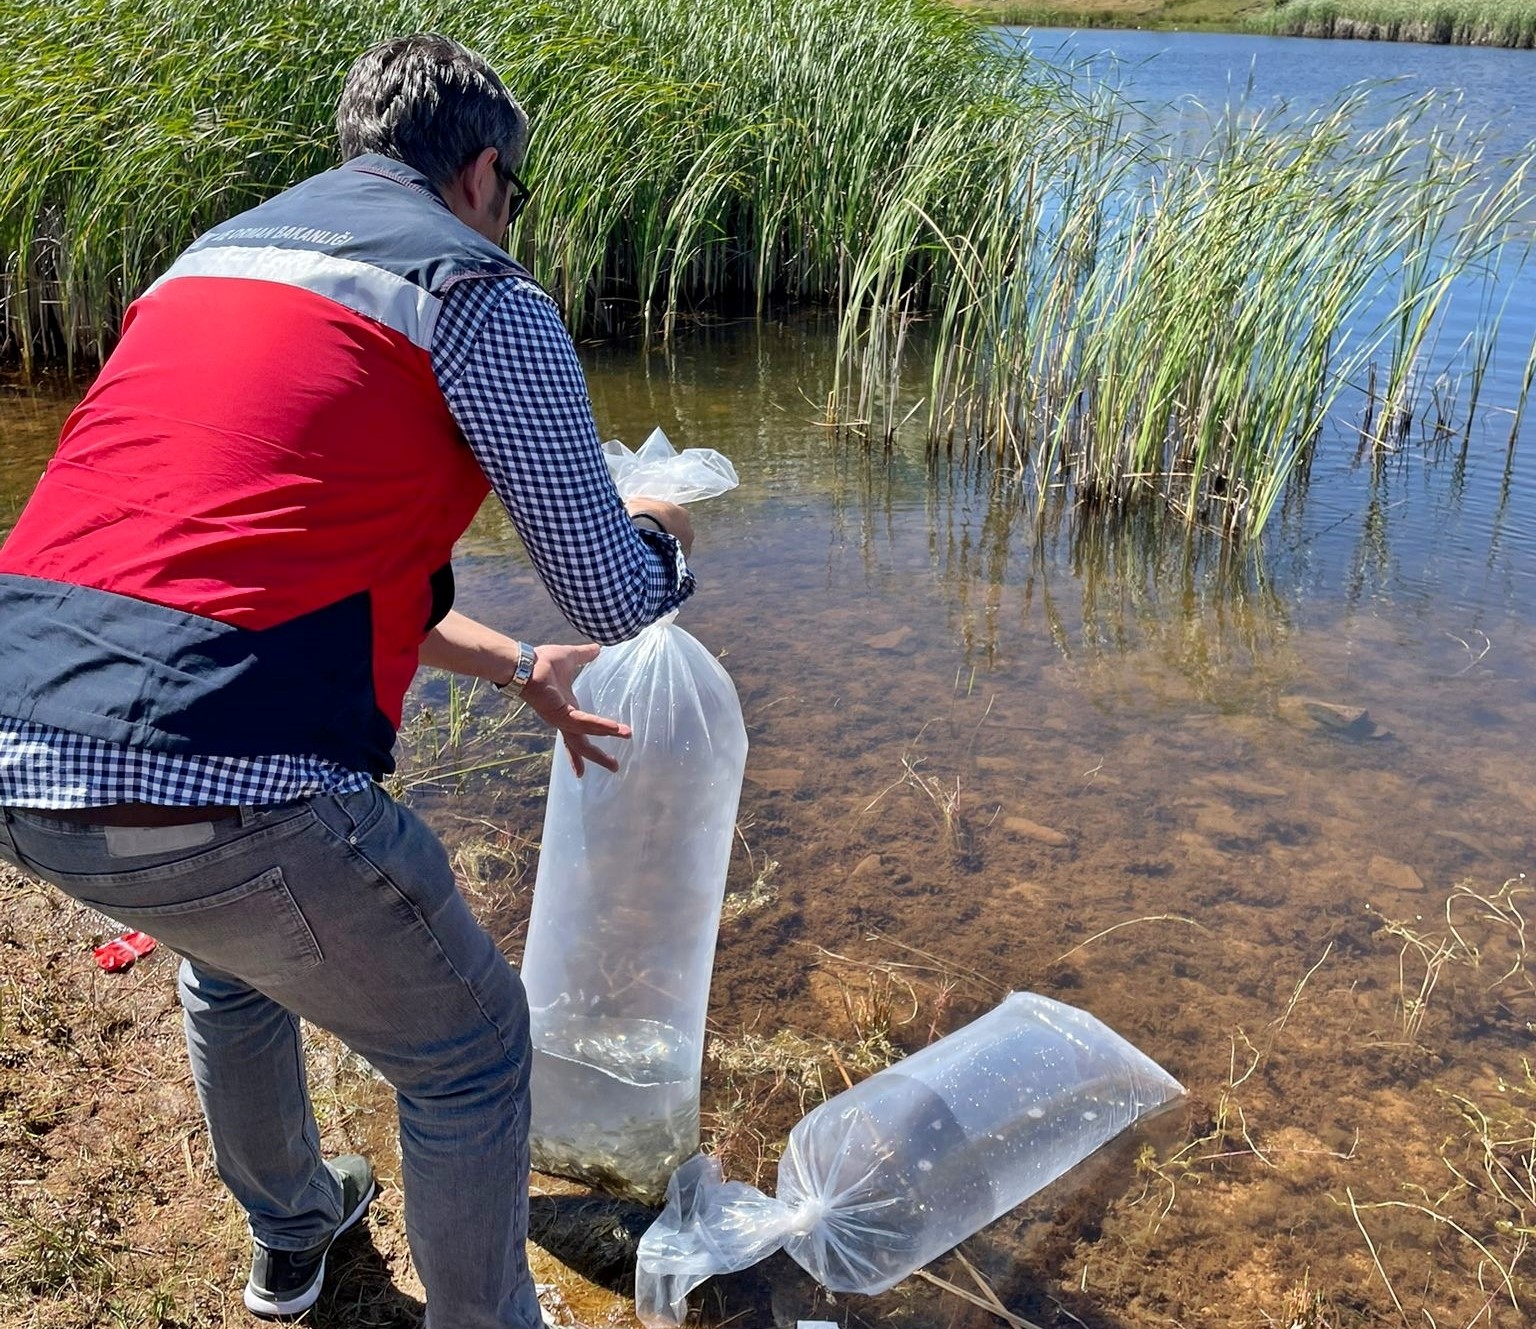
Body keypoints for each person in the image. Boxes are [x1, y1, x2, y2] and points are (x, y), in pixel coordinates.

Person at [0, 33, 694, 1329]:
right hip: (224, 767)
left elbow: (235, 554)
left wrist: (514, 667)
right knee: (475, 1050)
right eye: (514, 193)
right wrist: (664, 530)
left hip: (19, 732)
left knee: (229, 953)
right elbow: (614, 591)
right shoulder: (476, 289)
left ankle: (293, 1230)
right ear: (485, 172)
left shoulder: (215, 262)